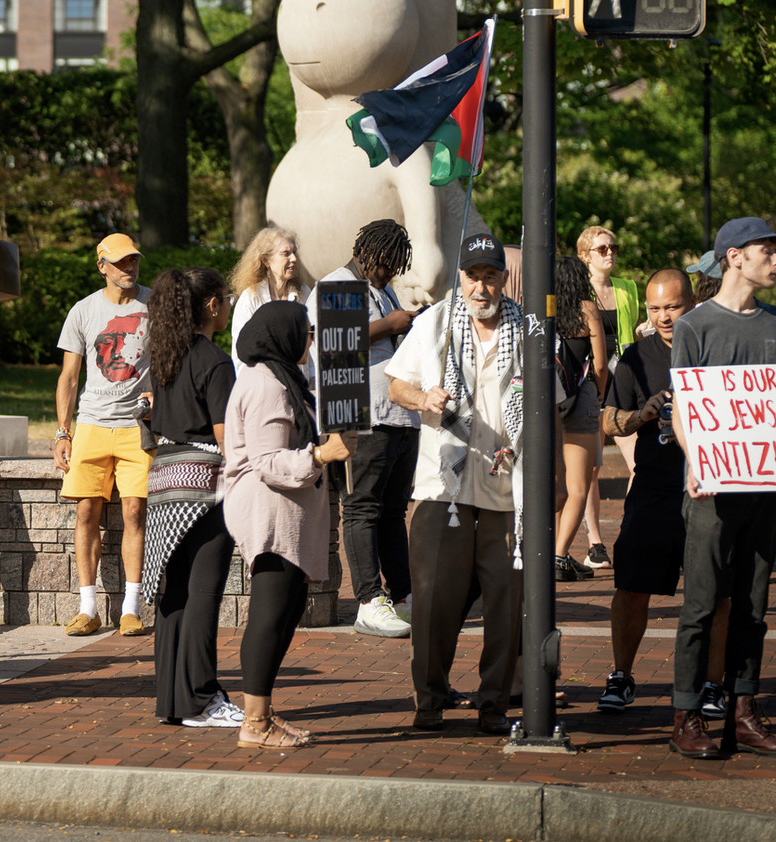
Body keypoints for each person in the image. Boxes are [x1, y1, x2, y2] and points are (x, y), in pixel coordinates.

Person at [667, 217, 776, 760]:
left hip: (767, 488)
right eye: (769, 252)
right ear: (734, 257)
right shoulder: (694, 326)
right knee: (700, 603)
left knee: (754, 605)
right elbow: (685, 410)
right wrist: (696, 460)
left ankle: (743, 710)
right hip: (713, 488)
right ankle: (687, 716)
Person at [386, 232, 542, 736]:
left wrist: (551, 477)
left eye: (490, 276)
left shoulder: (532, 333)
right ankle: (429, 703)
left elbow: (549, 409)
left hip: (507, 490)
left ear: (503, 278)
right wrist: (422, 397)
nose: (481, 286)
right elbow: (395, 384)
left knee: (507, 606)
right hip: (442, 488)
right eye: (473, 276)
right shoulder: (433, 324)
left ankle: (493, 705)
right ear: (462, 277)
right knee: (433, 603)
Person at [597, 270, 731, 718]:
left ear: (691, 303)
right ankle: (621, 675)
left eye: (671, 307)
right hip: (653, 488)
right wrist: (642, 414)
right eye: (654, 309)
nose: (663, 317)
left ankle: (714, 684)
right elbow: (608, 419)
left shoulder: (716, 350)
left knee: (715, 593)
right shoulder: (636, 356)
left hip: (709, 487)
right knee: (631, 586)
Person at [223, 299, 350, 749]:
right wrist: (319, 455)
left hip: (286, 509)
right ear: (283, 335)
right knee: (270, 613)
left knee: (288, 609)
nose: (310, 339)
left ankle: (264, 714)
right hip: (268, 510)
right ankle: (254, 723)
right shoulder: (265, 386)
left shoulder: (282, 378)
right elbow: (266, 460)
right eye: (305, 330)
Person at [141, 267, 240, 729]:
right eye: (225, 297)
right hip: (204, 488)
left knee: (173, 593)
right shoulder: (216, 362)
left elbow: (156, 424)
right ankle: (201, 698)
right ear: (211, 305)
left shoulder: (165, 357)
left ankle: (173, 699)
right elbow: (227, 438)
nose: (229, 304)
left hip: (164, 482)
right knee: (203, 593)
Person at [314, 219, 419, 639]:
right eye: (387, 263)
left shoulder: (383, 289)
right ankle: (368, 601)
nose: (391, 272)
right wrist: (392, 325)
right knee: (361, 509)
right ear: (371, 254)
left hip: (398, 416)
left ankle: (404, 596)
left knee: (393, 513)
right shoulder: (338, 282)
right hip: (363, 416)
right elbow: (332, 342)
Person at [52, 233, 154, 636]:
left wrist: (160, 393)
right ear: (102, 267)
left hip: (136, 426)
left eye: (134, 261)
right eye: (121, 262)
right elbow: (69, 376)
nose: (129, 268)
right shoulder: (83, 311)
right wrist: (63, 431)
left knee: (134, 512)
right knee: (86, 512)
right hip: (92, 423)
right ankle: (88, 607)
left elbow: (171, 358)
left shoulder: (155, 306)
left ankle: (131, 607)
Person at [578, 226, 641, 570]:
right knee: (590, 469)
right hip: (590, 384)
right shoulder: (578, 291)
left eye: (613, 247)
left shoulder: (628, 288)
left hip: (624, 385)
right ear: (585, 255)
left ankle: (631, 531)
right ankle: (595, 544)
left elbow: (630, 335)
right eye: (602, 249)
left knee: (639, 465)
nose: (610, 253)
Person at [552, 255, 606, 581]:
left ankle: (550, 551)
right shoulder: (586, 309)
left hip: (545, 401)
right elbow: (599, 364)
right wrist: (598, 394)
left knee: (553, 484)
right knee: (577, 487)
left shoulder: (538, 308)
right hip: (579, 397)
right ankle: (558, 557)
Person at [227, 226, 309, 375]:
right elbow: (240, 359)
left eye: (294, 252)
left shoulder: (304, 293)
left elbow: (314, 346)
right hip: (265, 390)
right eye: (286, 253)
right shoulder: (250, 298)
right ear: (266, 261)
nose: (294, 258)